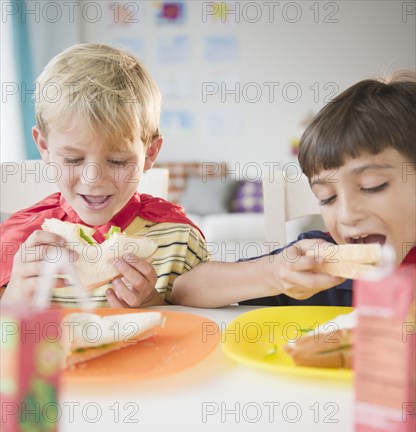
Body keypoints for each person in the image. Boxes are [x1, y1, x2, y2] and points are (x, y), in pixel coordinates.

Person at [171, 72, 416, 308]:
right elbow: (186, 289)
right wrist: (275, 273)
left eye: (372, 186)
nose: (347, 215)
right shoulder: (314, 260)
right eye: (327, 198)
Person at [0, 43, 208, 307]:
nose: (93, 178)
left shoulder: (179, 239)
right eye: (73, 158)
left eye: (117, 161)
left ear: (150, 153)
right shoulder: (21, 242)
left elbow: (202, 329)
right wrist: (14, 295)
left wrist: (154, 303)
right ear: (44, 147)